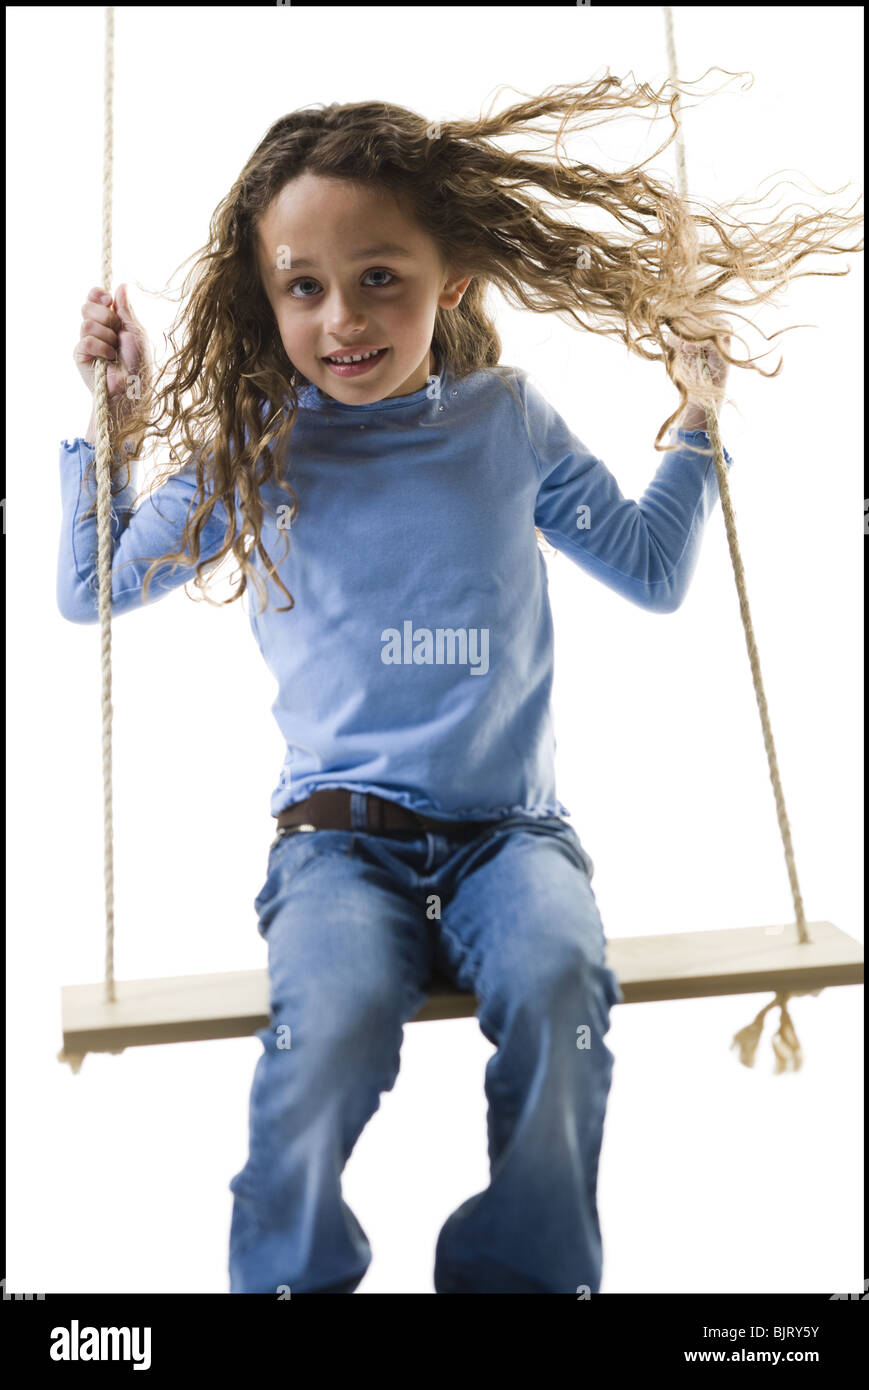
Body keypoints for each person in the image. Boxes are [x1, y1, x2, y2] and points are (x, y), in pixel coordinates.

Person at [64, 78, 856, 1292]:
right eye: (304, 286)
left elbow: (646, 569)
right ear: (266, 294)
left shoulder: (504, 420)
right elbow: (95, 591)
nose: (342, 319)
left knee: (559, 991)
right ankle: (290, 1275)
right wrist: (113, 421)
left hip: (509, 840)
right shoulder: (257, 448)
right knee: (322, 1031)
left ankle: (518, 1277)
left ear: (455, 278)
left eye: (380, 276)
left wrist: (697, 421)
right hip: (338, 845)